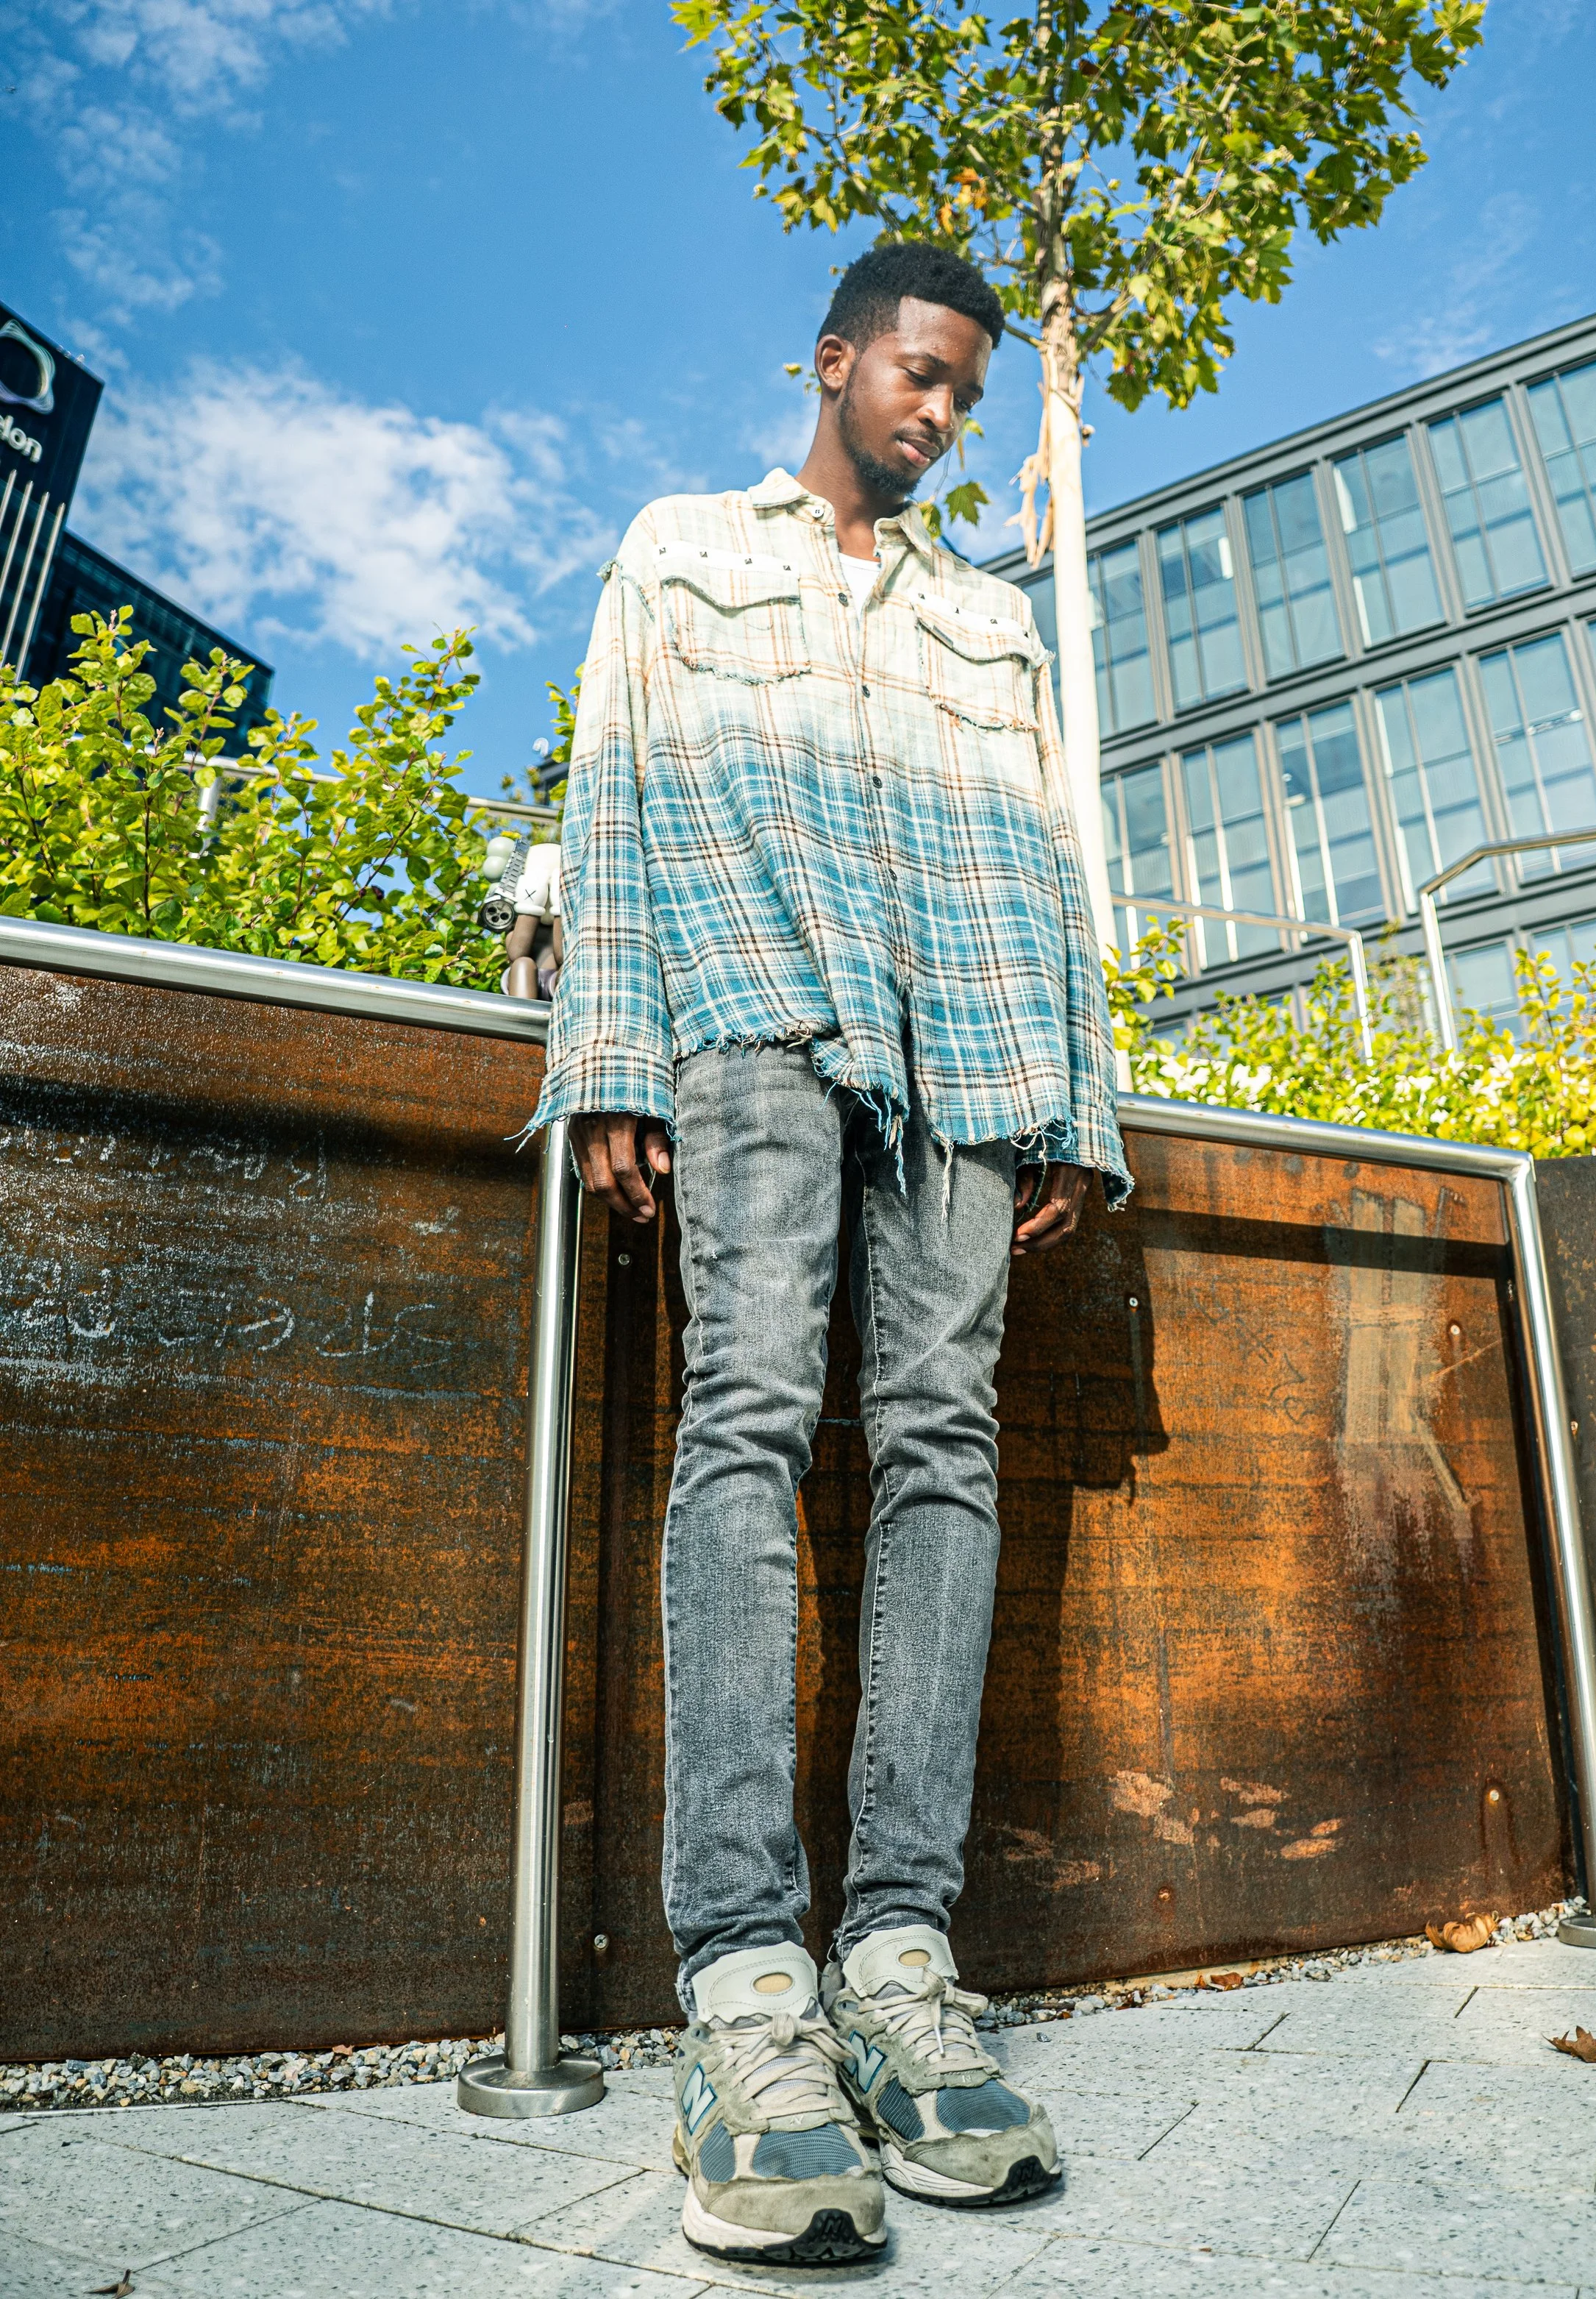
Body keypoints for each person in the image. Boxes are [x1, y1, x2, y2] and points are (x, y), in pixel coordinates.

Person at [527, 240, 1130, 2267]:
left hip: (968, 1043)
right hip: (754, 1016)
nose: (942, 416)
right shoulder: (686, 549)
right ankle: (744, 1992)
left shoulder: (987, 617)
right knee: (746, 1425)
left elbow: (1052, 859)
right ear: (833, 360)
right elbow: (608, 791)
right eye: (921, 376)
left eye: (967, 392)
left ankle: (894, 1957)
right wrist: (609, 1049)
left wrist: (1078, 1101)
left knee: (942, 1448)